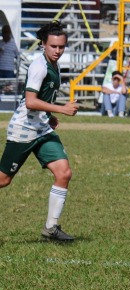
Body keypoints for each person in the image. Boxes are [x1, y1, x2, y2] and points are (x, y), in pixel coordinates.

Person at [0, 21, 79, 242]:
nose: (58, 51)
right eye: (53, 46)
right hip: (24, 130)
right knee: (4, 180)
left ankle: (51, 228)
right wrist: (61, 109)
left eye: (61, 47)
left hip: (41, 128)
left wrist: (49, 115)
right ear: (43, 44)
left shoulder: (53, 64)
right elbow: (31, 101)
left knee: (63, 173)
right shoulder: (39, 66)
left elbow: (42, 99)